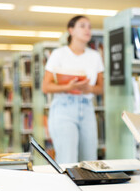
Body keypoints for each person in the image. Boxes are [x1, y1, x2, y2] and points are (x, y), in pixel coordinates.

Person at [42, 15, 104, 164]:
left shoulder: (95, 56)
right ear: (71, 30)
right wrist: (68, 87)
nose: (87, 29)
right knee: (67, 159)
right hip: (64, 108)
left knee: (90, 161)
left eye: (89, 26)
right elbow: (46, 86)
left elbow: (101, 89)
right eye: (82, 26)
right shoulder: (59, 54)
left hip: (87, 108)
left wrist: (88, 88)